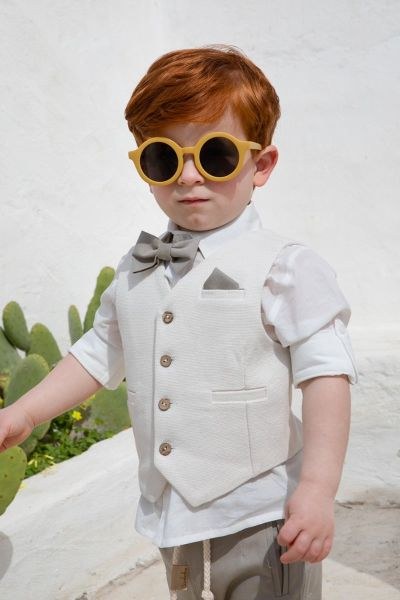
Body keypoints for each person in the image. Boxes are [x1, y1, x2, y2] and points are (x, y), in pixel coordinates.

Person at [0, 45, 358, 600]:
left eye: (216, 155)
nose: (189, 176)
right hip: (174, 514)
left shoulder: (286, 267)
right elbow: (98, 352)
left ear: (261, 165)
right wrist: (24, 412)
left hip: (262, 511)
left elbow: (327, 375)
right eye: (164, 159)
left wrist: (316, 488)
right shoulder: (136, 267)